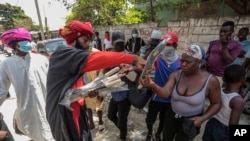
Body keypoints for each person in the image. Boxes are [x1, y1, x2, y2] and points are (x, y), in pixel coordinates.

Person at [45, 20, 145, 141]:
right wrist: (133, 58)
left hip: (76, 109)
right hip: (63, 115)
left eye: (89, 41)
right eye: (84, 41)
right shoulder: (64, 54)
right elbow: (95, 59)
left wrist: (85, 92)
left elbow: (71, 90)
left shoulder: (73, 58)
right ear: (73, 40)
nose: (88, 45)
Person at [140, 45, 221, 141]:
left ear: (199, 62)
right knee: (166, 138)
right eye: (182, 60)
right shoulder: (176, 75)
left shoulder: (211, 81)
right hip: (172, 115)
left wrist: (202, 118)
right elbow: (165, 93)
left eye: (188, 61)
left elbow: (216, 103)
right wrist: (153, 85)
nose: (183, 64)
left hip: (191, 121)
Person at [0, 27, 55, 141]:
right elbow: (2, 90)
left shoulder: (41, 59)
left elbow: (53, 82)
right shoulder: (7, 64)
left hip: (48, 107)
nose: (28, 44)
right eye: (23, 42)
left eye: (27, 41)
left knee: (50, 134)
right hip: (27, 110)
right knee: (37, 134)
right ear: (15, 45)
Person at [145, 32, 180, 141]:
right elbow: (147, 65)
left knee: (163, 120)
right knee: (149, 119)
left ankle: (158, 134)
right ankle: (150, 132)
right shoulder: (157, 59)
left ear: (175, 46)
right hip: (156, 97)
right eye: (164, 44)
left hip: (169, 100)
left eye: (168, 45)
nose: (166, 47)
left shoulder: (180, 63)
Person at [202, 64, 246, 141]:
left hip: (211, 123)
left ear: (223, 78)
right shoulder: (238, 100)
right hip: (223, 131)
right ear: (243, 80)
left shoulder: (220, 91)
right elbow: (233, 125)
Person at [106, 31, 135, 141]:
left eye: (122, 43)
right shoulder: (110, 56)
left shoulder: (129, 56)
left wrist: (126, 69)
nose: (120, 45)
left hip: (125, 95)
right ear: (113, 43)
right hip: (114, 92)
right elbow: (105, 72)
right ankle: (123, 129)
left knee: (122, 119)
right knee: (110, 115)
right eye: (117, 43)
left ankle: (123, 136)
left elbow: (135, 75)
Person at [205, 21, 242, 86]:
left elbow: (229, 61)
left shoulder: (236, 45)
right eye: (221, 31)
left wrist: (224, 46)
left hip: (219, 76)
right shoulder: (214, 42)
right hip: (207, 73)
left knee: (213, 94)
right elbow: (207, 55)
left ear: (232, 31)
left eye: (225, 32)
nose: (222, 34)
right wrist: (205, 60)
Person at [83, 41, 105, 132]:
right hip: (86, 82)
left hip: (97, 81)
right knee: (88, 103)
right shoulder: (80, 54)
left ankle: (100, 121)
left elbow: (102, 69)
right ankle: (91, 122)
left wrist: (99, 84)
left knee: (99, 102)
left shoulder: (97, 53)